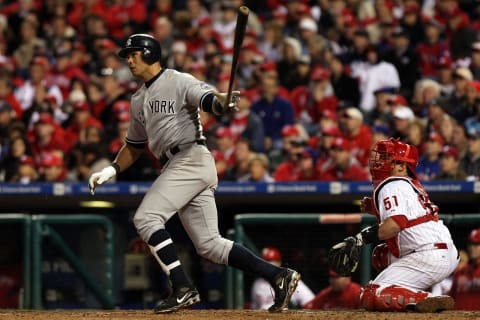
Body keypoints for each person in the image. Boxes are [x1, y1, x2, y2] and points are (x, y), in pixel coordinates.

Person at [88, 34, 300, 313]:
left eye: (134, 53)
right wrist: (112, 168)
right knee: (210, 245)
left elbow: (207, 99)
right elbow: (134, 145)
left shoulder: (178, 80)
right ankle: (278, 276)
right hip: (180, 164)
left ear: (150, 53)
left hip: (189, 157)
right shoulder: (138, 99)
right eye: (127, 55)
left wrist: (221, 103)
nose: (128, 60)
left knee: (146, 217)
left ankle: (182, 287)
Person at [351, 138, 458, 312]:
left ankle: (426, 298)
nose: (380, 162)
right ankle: (418, 293)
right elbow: (410, 217)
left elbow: (394, 224)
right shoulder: (409, 184)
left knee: (372, 294)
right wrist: (376, 208)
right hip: (443, 252)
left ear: (401, 166)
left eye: (387, 159)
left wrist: (360, 238)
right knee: (381, 255)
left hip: (428, 255)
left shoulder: (391, 183)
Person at [449, 228, 480, 310]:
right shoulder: (461, 271)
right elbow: (451, 298)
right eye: (470, 244)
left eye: (476, 244)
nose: (472, 248)